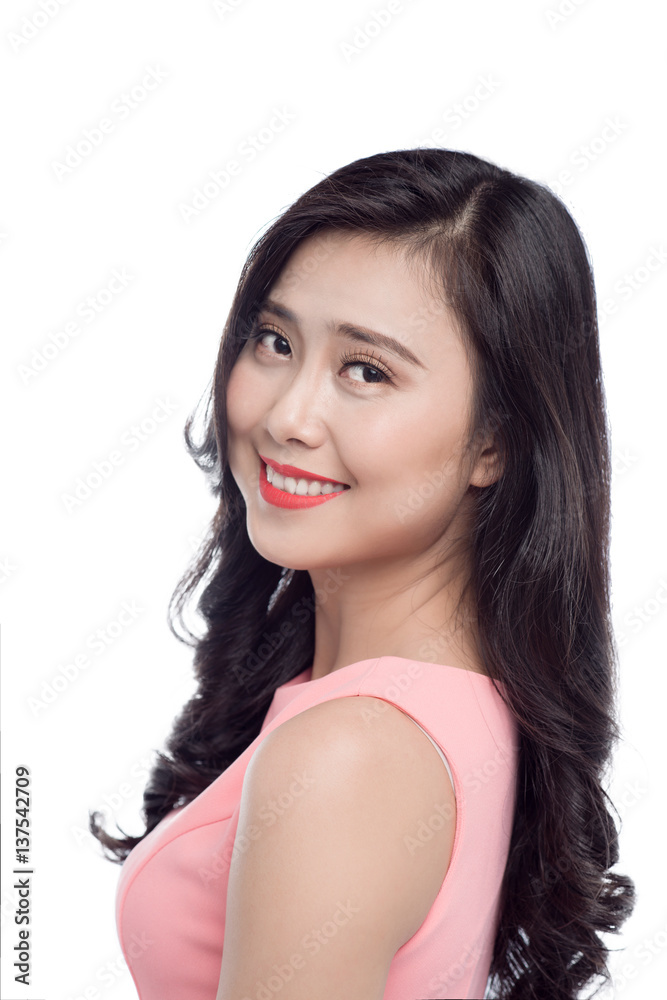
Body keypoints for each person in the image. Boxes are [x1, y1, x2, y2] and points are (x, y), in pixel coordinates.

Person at [90, 147, 635, 999]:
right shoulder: (432, 715)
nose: (287, 415)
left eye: (365, 370)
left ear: (493, 440)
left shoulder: (354, 754)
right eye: (274, 342)